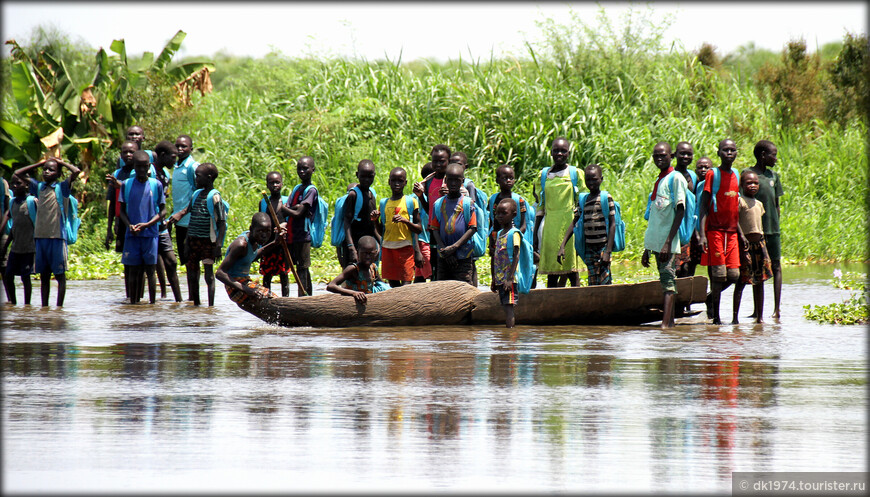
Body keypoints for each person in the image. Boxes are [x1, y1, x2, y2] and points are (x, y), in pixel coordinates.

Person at [14, 157, 81, 307]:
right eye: (45, 169)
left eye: (51, 169)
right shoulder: (38, 187)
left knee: (60, 276)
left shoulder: (62, 188)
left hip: (57, 237)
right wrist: (40, 163)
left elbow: (76, 171)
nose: (46, 171)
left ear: (58, 174)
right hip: (41, 238)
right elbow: (18, 173)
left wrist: (59, 161)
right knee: (44, 277)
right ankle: (45, 307)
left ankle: (59, 307)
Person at [640, 142, 687, 329]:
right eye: (656, 156)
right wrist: (647, 249)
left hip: (667, 243)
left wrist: (668, 243)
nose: (659, 158)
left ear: (671, 156)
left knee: (668, 282)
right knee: (664, 280)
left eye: (663, 155)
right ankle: (671, 323)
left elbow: (680, 211)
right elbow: (656, 217)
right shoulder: (660, 179)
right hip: (656, 242)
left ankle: (665, 326)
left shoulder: (676, 179)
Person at [167, 162, 226, 307]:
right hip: (193, 241)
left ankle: (210, 305)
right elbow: (189, 210)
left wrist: (218, 245)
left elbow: (222, 223)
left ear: (209, 177)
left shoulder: (215, 197)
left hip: (207, 241)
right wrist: (179, 216)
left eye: (198, 177)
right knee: (192, 274)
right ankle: (196, 304)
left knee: (208, 274)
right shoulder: (196, 194)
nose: (196, 179)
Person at [699, 139, 743, 324]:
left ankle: (710, 297)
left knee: (734, 275)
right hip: (715, 231)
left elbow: (734, 206)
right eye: (725, 150)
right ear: (719, 153)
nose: (729, 153)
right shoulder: (712, 174)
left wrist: (740, 233)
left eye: (732, 150)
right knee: (718, 275)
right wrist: (702, 235)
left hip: (732, 232)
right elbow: (703, 205)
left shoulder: (736, 174)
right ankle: (716, 318)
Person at [533, 137, 582, 287]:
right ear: (551, 153)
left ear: (568, 153)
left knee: (572, 271)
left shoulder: (575, 174)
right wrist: (535, 235)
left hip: (570, 226)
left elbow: (582, 202)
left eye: (563, 151)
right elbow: (540, 207)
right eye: (556, 150)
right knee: (552, 272)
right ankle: (552, 306)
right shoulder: (543, 175)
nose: (559, 153)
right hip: (550, 228)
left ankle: (577, 304)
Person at [556, 164, 616, 286]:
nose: (591, 182)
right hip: (589, 248)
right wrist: (562, 245)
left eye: (594, 179)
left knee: (605, 280)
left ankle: (605, 304)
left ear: (601, 179)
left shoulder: (606, 198)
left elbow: (612, 224)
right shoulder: (583, 200)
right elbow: (574, 222)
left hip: (602, 247)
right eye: (588, 179)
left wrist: (608, 251)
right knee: (592, 281)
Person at [119, 151, 165, 304]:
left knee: (151, 271)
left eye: (145, 167)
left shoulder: (156, 184)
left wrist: (147, 225)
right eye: (138, 167)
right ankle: (133, 304)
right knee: (132, 270)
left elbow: (163, 211)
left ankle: (152, 304)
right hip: (132, 235)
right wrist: (129, 225)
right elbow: (122, 211)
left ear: (149, 167)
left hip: (150, 234)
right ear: (134, 167)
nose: (141, 170)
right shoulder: (126, 184)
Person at [746, 139, 784, 319]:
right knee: (757, 268)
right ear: (762, 155)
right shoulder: (749, 175)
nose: (775, 158)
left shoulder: (773, 177)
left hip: (773, 230)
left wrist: (776, 224)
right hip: (756, 232)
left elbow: (776, 205)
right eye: (773, 155)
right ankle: (756, 310)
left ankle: (777, 309)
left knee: (776, 266)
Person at [732, 170, 773, 324]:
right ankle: (735, 318)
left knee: (760, 281)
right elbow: (735, 221)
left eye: (755, 183)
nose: (753, 186)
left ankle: (760, 317)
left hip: (759, 245)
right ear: (741, 185)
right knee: (742, 281)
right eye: (749, 183)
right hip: (745, 246)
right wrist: (742, 240)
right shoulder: (740, 201)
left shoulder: (759, 204)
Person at [216, 212, 283, 305]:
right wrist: (247, 290)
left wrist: (275, 243)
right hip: (234, 286)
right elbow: (220, 273)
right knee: (273, 301)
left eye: (268, 231)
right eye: (260, 231)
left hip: (245, 282)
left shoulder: (256, 241)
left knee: (273, 299)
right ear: (251, 229)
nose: (264, 235)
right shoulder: (241, 245)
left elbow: (253, 256)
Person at [429, 163, 478, 284]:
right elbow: (434, 229)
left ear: (462, 180)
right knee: (443, 288)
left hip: (463, 255)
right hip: (444, 256)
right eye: (450, 180)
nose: (453, 183)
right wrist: (444, 249)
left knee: (464, 287)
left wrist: (454, 247)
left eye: (457, 180)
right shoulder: (438, 204)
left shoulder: (468, 203)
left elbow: (473, 228)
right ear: (445, 180)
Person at [377, 167, 423, 287]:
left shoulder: (411, 202)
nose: (397, 184)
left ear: (405, 183)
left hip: (405, 248)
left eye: (400, 181)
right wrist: (374, 221)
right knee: (393, 285)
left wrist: (405, 221)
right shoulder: (383, 203)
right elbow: (381, 230)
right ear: (389, 182)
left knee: (406, 284)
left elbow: (418, 228)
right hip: (388, 248)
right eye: (393, 180)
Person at [413, 144, 451, 280]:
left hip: (449, 227)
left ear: (449, 161)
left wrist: (450, 194)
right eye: (435, 161)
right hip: (434, 227)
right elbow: (429, 208)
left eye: (442, 161)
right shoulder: (429, 181)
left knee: (448, 259)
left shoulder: (451, 180)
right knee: (435, 260)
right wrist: (420, 196)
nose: (438, 164)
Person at [151, 141, 183, 302]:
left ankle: (179, 301)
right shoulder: (148, 172)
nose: (174, 161)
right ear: (162, 155)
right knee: (150, 265)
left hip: (161, 225)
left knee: (171, 261)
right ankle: (151, 303)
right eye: (172, 157)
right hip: (148, 226)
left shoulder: (165, 175)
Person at [284, 156, 320, 297]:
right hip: (292, 233)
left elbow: (299, 213)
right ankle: (306, 295)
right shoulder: (297, 188)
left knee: (303, 268)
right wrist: (292, 208)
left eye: (305, 168)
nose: (302, 171)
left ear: (313, 170)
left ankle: (303, 297)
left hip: (304, 235)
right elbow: (293, 208)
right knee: (296, 267)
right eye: (299, 168)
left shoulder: (311, 190)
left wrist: (284, 208)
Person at [1, 174, 37, 305]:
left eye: (18, 184)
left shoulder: (32, 202)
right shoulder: (12, 203)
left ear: (27, 185)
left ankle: (27, 305)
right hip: (15, 248)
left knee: (25, 277)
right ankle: (13, 303)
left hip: (29, 248)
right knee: (8, 275)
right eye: (13, 184)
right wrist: (5, 247)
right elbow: (13, 227)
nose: (15, 187)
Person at [326, 235, 389, 303]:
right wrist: (353, 293)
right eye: (364, 253)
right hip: (353, 303)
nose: (367, 257)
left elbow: (382, 284)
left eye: (371, 253)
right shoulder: (354, 269)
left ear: (376, 253)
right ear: (358, 252)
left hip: (368, 303)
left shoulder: (373, 267)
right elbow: (331, 286)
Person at [490, 198, 523, 328]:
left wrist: (509, 278)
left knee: (509, 309)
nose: (500, 216)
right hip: (500, 279)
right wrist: (494, 279)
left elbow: (516, 256)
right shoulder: (499, 234)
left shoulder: (513, 234)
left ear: (514, 214)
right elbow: (495, 258)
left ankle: (510, 340)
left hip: (510, 279)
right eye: (498, 213)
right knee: (505, 307)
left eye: (504, 213)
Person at [258, 171, 291, 296]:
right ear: (267, 185)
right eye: (271, 183)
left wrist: (284, 226)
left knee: (284, 274)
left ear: (282, 184)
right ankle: (267, 298)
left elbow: (291, 220)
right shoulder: (263, 202)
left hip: (282, 244)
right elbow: (261, 221)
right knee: (267, 275)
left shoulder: (287, 201)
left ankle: (285, 299)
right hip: (268, 243)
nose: (275, 185)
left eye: (277, 182)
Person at [341, 159, 380, 266]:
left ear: (374, 175)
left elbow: (372, 224)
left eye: (370, 176)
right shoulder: (353, 195)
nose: (366, 180)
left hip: (367, 246)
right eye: (363, 176)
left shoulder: (372, 193)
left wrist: (380, 243)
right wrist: (351, 248)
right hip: (355, 243)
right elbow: (347, 221)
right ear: (357, 175)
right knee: (351, 275)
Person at [170, 134, 200, 272]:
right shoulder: (176, 166)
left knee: (192, 261)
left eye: (184, 146)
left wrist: (183, 212)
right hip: (179, 222)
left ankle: (194, 293)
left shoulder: (192, 167)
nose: (180, 149)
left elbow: (199, 194)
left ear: (191, 149)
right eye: (177, 146)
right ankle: (190, 293)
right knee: (185, 260)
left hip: (190, 222)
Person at [673, 141, 697, 278]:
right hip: (674, 227)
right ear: (676, 155)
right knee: (675, 268)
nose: (685, 157)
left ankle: (684, 298)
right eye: (682, 153)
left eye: (689, 154)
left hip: (688, 229)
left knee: (687, 268)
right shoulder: (671, 175)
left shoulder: (692, 176)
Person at [413, 162, 434, 283]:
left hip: (429, 239)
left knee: (420, 273)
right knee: (427, 273)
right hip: (422, 240)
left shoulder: (434, 195)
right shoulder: (417, 197)